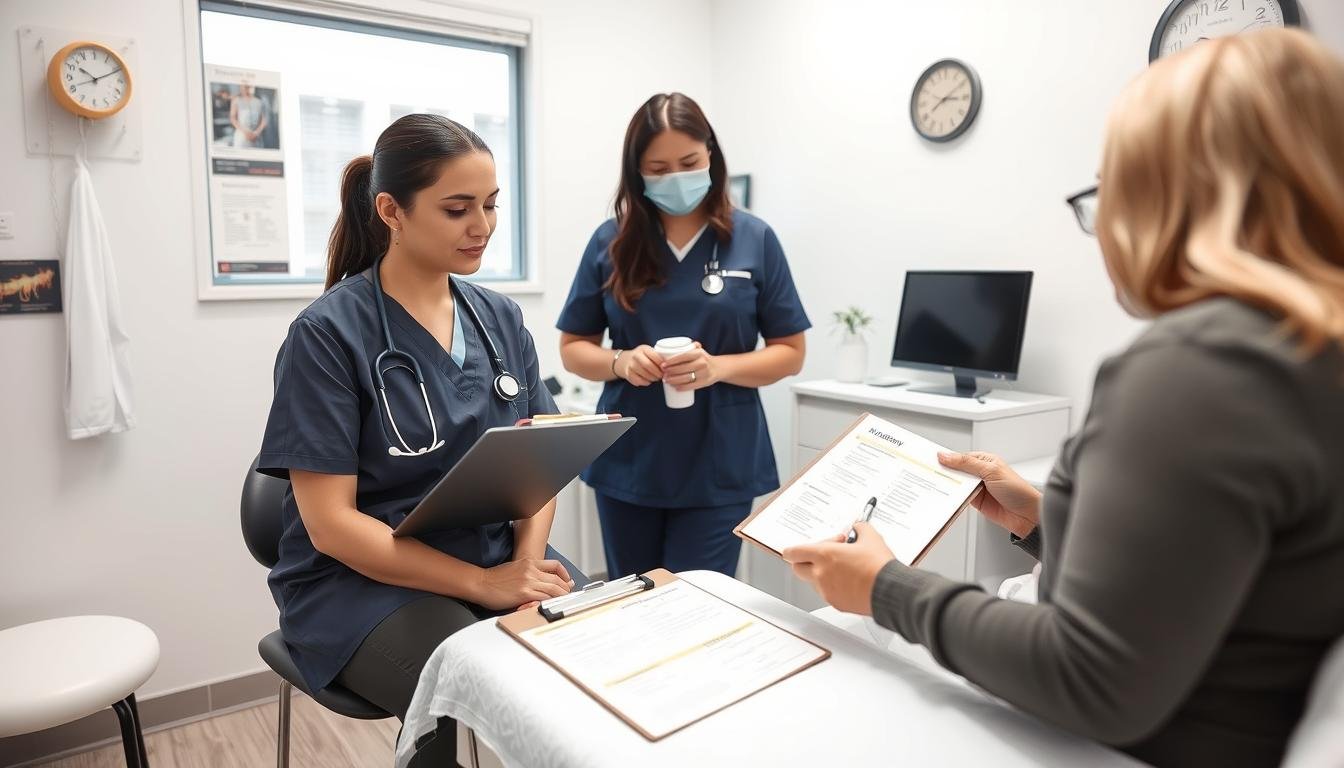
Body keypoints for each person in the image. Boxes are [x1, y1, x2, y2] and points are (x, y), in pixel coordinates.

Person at [782, 28, 1344, 768]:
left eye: (1111, 190)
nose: (1103, 225)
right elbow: (1219, 580)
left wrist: (888, 589)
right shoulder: (1306, 349)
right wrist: (1051, 521)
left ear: (1168, 195)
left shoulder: (1200, 369)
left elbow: (1095, 676)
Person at [257, 114, 583, 764]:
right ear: (391, 211)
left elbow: (537, 463)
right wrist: (482, 585)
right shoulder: (327, 335)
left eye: (490, 205)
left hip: (490, 551)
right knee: (472, 691)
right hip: (357, 579)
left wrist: (520, 566)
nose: (483, 226)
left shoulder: (500, 318)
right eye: (457, 208)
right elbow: (330, 528)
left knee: (590, 655)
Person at [557, 92, 809, 578]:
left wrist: (718, 368)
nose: (676, 178)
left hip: (720, 462)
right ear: (638, 173)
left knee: (700, 605)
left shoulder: (754, 238)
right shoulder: (610, 242)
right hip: (631, 458)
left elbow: (790, 352)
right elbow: (573, 348)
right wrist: (620, 361)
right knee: (634, 603)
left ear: (711, 154)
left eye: (689, 162)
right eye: (659, 167)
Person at [230, 83, 270, 148]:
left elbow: (264, 120)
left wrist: (256, 133)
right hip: (242, 136)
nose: (244, 88)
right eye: (242, 86)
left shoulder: (259, 101)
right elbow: (233, 118)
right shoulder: (236, 100)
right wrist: (245, 132)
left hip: (256, 137)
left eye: (247, 86)